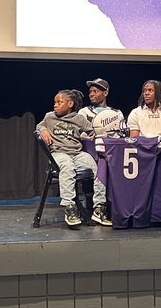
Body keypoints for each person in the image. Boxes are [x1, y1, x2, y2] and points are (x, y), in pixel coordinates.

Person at [36, 89, 112, 227]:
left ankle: (99, 207)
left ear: (70, 103)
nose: (55, 105)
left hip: (77, 153)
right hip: (58, 153)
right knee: (67, 167)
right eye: (55, 102)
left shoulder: (79, 118)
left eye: (59, 102)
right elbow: (39, 126)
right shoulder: (50, 117)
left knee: (97, 167)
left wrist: (94, 134)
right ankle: (70, 207)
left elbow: (92, 131)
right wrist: (44, 130)